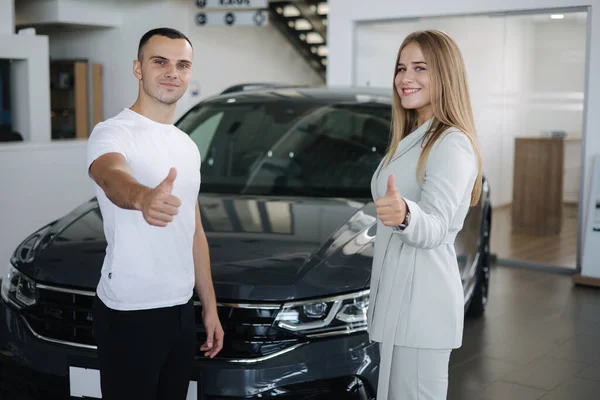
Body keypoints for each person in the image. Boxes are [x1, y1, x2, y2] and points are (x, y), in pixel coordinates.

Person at [86, 27, 224, 400]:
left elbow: (194, 232)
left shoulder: (186, 146)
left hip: (180, 309)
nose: (171, 72)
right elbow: (110, 176)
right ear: (138, 68)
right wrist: (143, 197)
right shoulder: (113, 132)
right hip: (130, 310)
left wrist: (208, 308)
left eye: (182, 64)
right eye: (159, 61)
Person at [368, 30, 483, 400]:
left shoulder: (452, 143)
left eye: (420, 67)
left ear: (445, 75)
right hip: (400, 305)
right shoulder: (415, 135)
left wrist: (404, 214)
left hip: (422, 308)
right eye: (401, 68)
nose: (405, 78)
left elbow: (434, 227)